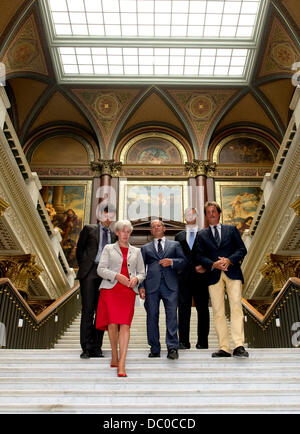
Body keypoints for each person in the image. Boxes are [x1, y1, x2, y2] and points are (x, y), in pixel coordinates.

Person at [194, 201, 248, 358]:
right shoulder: (202, 235)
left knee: (236, 307)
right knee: (218, 311)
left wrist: (229, 260)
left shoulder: (231, 230)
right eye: (208, 212)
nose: (211, 214)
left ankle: (238, 345)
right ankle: (224, 348)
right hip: (214, 276)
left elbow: (242, 249)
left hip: (233, 273)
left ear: (219, 213)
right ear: (206, 216)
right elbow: (199, 256)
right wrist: (213, 264)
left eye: (213, 211)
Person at [96, 220, 145, 377]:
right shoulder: (108, 248)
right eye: (123, 231)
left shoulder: (136, 251)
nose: (126, 234)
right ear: (117, 233)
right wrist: (117, 276)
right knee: (112, 324)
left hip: (127, 292)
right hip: (111, 290)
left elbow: (142, 272)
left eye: (128, 231)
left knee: (125, 325)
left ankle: (122, 362)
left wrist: (136, 280)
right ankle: (114, 355)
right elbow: (101, 269)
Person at [139, 220, 186, 360]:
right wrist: (141, 287)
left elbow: (183, 262)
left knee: (171, 316)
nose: (156, 228)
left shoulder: (175, 245)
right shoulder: (145, 248)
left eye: (158, 226)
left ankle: (172, 348)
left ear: (164, 229)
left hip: (170, 286)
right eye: (153, 227)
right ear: (151, 231)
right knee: (152, 316)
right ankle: (154, 348)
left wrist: (172, 262)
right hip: (151, 286)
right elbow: (141, 269)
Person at [76, 204, 117, 359]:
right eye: (106, 215)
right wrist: (85, 266)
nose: (108, 219)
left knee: (101, 313)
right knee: (88, 310)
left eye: (111, 216)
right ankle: (86, 347)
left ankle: (96, 347)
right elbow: (80, 250)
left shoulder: (114, 235)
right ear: (100, 215)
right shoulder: (89, 229)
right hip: (90, 272)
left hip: (105, 275)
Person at [175, 207, 210, 350]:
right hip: (183, 278)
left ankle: (202, 342)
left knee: (202, 310)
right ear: (184, 217)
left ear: (196, 216)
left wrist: (206, 266)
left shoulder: (205, 233)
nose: (190, 216)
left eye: (192, 214)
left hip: (201, 277)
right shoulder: (179, 236)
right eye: (187, 214)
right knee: (183, 310)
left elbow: (210, 252)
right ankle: (183, 341)